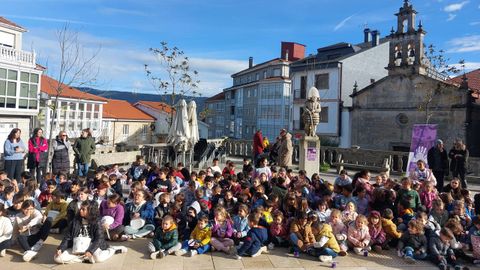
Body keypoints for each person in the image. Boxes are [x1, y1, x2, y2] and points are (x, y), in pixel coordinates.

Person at [54, 200, 127, 264]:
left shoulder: (97, 222)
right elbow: (68, 237)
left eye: (83, 209)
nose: (80, 210)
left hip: (92, 246)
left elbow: (99, 239)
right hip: (77, 246)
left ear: (90, 211)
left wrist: (90, 251)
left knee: (99, 258)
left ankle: (112, 250)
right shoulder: (75, 221)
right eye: (80, 208)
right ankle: (83, 259)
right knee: (57, 258)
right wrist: (61, 248)